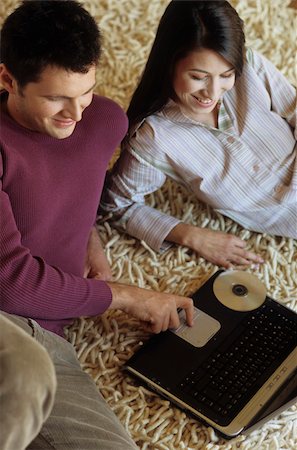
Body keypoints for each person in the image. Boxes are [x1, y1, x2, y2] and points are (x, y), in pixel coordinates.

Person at [0, 1, 194, 449]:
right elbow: (11, 283)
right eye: (55, 98)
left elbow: (75, 187)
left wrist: (88, 235)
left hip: (49, 337)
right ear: (8, 79)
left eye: (84, 90)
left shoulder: (105, 121)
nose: (75, 113)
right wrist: (126, 297)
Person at [100, 0, 296, 269]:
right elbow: (118, 206)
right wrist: (193, 236)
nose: (213, 93)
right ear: (169, 64)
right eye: (199, 77)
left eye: (226, 75)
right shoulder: (155, 138)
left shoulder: (249, 66)